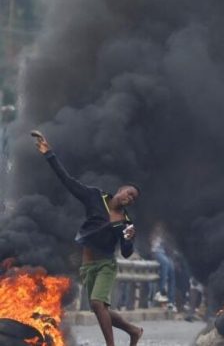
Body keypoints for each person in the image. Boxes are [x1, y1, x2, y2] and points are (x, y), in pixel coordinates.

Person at [34, 131, 143, 346]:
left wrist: (130, 238)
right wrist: (49, 154)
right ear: (120, 190)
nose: (129, 198)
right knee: (99, 307)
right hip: (87, 265)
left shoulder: (126, 222)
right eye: (128, 193)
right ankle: (133, 331)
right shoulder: (94, 196)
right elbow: (68, 181)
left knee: (95, 303)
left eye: (133, 199)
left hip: (105, 265)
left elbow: (126, 252)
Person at [150, 222, 176, 311]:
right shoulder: (151, 230)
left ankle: (171, 301)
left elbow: (169, 247)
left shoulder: (166, 233)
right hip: (156, 251)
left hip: (165, 252)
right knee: (165, 263)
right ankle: (161, 291)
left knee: (172, 270)